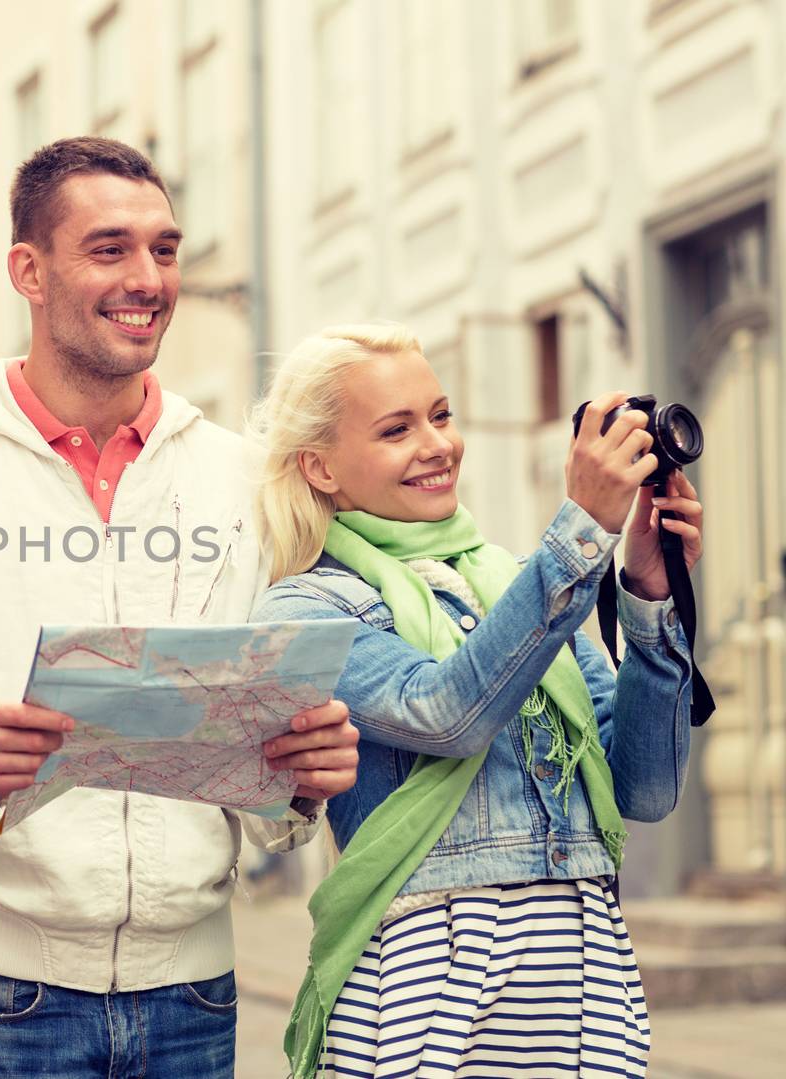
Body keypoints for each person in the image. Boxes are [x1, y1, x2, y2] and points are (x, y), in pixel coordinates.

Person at [0, 136, 361, 1078]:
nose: (148, 277)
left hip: (196, 996)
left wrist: (304, 776)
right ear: (27, 272)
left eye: (164, 248)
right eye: (110, 248)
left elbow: (270, 789)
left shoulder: (241, 478)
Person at [248, 324, 700, 1077]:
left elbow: (644, 789)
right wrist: (583, 531)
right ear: (319, 467)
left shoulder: (522, 583)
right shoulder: (307, 609)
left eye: (442, 414)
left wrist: (651, 594)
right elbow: (444, 713)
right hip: (431, 988)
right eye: (397, 429)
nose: (437, 444)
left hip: (583, 978)